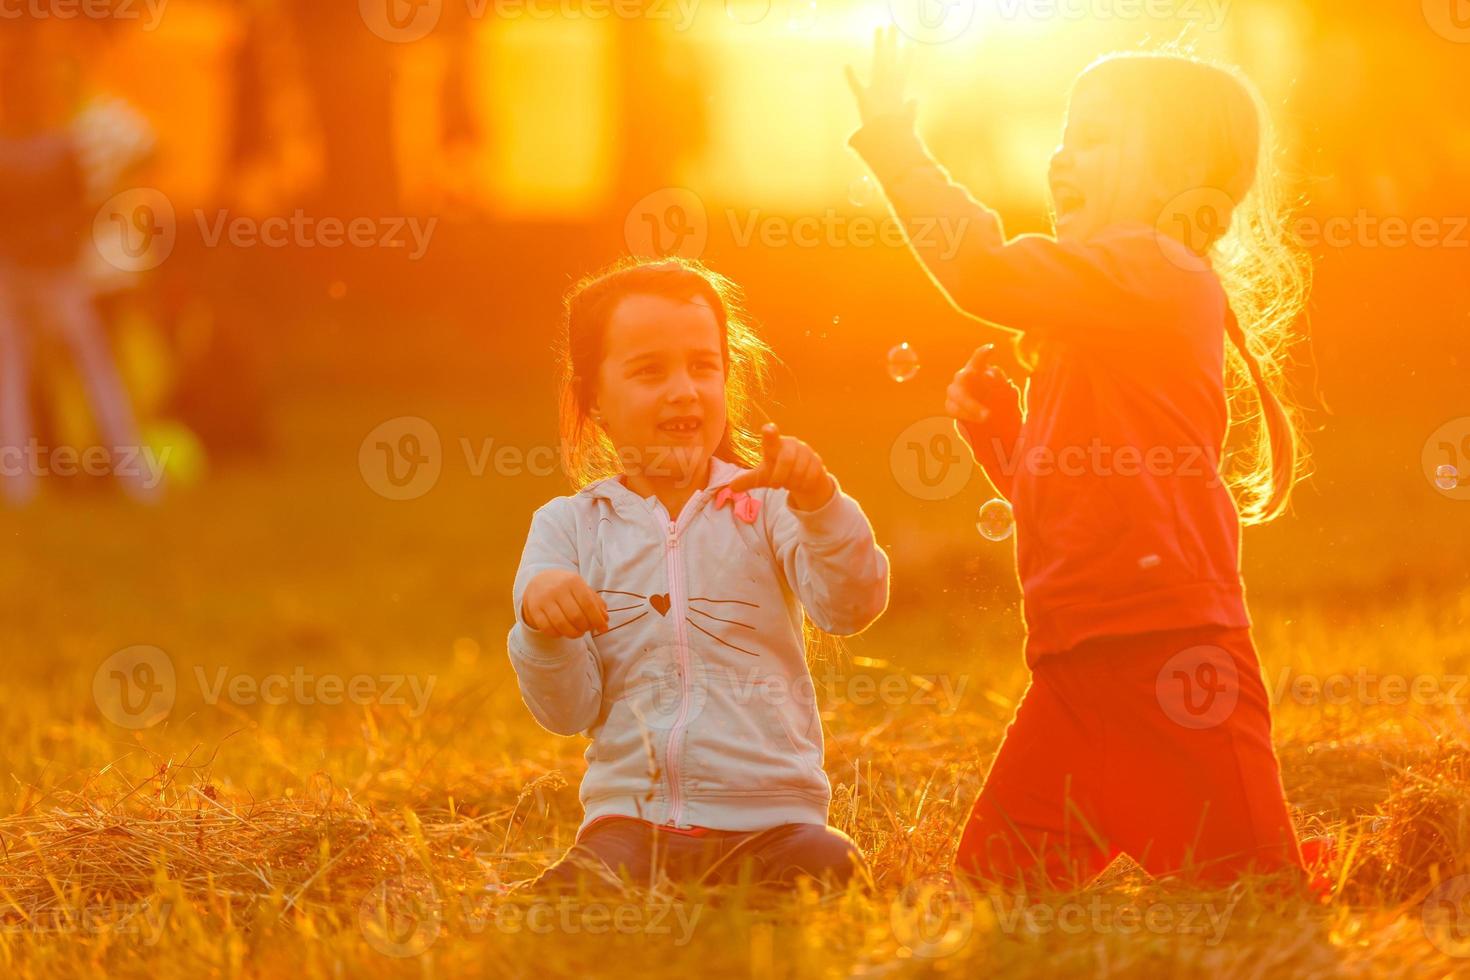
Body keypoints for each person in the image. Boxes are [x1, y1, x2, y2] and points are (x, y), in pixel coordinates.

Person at [846, 30, 1311, 889]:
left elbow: (982, 269)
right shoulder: (1101, 308)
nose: (1064, 152)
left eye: (1095, 135)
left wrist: (897, 148)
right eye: (1065, 131)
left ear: (1176, 177)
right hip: (1073, 669)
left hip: (1172, 656)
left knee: (1256, 890)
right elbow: (1070, 491)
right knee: (997, 879)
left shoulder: (1158, 270)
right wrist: (1005, 439)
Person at [507, 257, 889, 893]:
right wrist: (542, 627)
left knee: (835, 868)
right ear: (593, 397)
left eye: (703, 366)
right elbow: (567, 711)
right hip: (634, 821)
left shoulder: (766, 507)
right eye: (650, 370)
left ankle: (746, 887)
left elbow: (850, 608)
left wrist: (822, 505)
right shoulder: (568, 528)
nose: (684, 389)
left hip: (774, 824)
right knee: (582, 890)